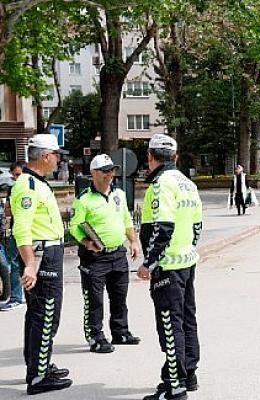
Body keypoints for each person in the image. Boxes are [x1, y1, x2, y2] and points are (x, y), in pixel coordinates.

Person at [137, 134, 203, 400]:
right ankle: (189, 373)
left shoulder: (161, 184)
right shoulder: (187, 183)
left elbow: (161, 227)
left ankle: (175, 385)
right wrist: (187, 248)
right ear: (175, 157)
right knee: (187, 320)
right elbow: (197, 227)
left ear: (150, 158)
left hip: (167, 266)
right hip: (186, 262)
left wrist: (149, 262)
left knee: (170, 324)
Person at [11, 135, 72, 395]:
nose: (59, 160)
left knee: (37, 313)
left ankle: (38, 365)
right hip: (41, 255)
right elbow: (21, 228)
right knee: (46, 314)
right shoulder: (28, 186)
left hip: (47, 252)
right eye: (57, 155)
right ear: (46, 156)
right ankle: (38, 376)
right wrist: (29, 264)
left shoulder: (36, 182)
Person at [69, 154, 142, 354]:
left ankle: (120, 332)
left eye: (112, 170)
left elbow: (126, 219)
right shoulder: (83, 199)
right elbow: (74, 226)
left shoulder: (119, 194)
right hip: (95, 258)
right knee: (94, 300)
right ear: (93, 173)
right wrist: (87, 242)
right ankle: (95, 337)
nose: (110, 175)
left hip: (118, 254)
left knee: (119, 297)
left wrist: (133, 241)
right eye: (105, 171)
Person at [1, 161, 26, 311]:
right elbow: (8, 211)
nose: (17, 178)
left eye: (19, 175)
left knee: (16, 263)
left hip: (27, 230)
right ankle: (19, 296)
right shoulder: (13, 189)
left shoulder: (29, 188)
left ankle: (17, 297)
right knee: (17, 263)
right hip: (16, 229)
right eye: (15, 175)